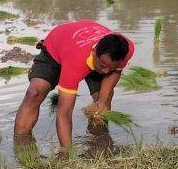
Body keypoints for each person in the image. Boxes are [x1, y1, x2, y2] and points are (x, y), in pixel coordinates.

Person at [13, 20, 134, 150]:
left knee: (103, 101)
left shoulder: (125, 49)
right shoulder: (75, 62)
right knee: (35, 92)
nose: (105, 72)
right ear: (94, 53)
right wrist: (66, 152)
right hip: (57, 48)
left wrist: (102, 102)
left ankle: (99, 143)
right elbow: (64, 112)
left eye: (110, 67)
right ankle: (22, 145)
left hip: (83, 44)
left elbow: (114, 72)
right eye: (103, 66)